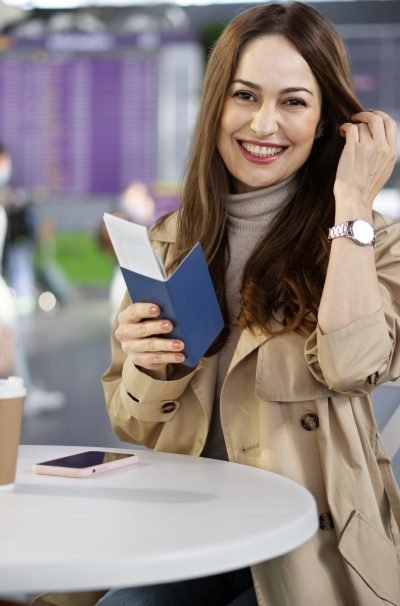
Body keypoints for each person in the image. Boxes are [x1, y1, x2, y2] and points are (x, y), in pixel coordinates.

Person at [37, 2, 400, 606]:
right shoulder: (168, 241)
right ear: (216, 105)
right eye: (245, 96)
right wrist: (150, 367)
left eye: (293, 101)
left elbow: (352, 363)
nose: (263, 125)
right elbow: (136, 426)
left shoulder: (371, 240)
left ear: (326, 119)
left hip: (308, 541)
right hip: (189, 527)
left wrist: (354, 205)